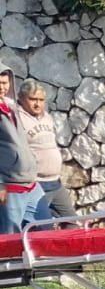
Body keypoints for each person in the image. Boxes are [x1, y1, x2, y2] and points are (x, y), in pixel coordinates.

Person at [16, 82, 72, 225]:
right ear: (21, 98)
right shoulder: (16, 118)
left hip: (56, 182)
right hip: (36, 183)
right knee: (42, 227)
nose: (37, 104)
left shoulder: (47, 117)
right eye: (33, 99)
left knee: (73, 222)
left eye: (41, 100)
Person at [0, 68, 43, 236]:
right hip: (10, 186)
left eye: (5, 82)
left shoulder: (11, 107)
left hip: (31, 183)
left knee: (43, 229)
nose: (2, 87)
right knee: (10, 236)